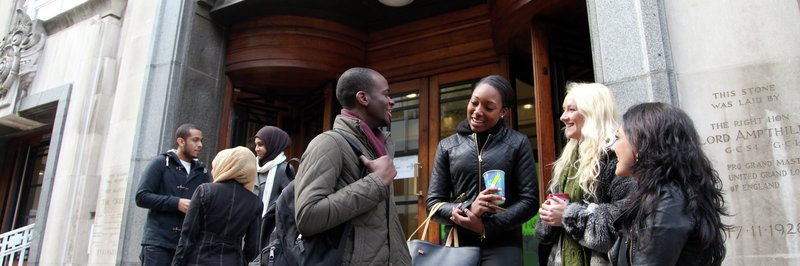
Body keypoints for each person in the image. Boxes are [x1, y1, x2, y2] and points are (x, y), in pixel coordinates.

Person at [293, 67, 411, 265]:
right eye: (386, 94)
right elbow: (307, 217)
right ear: (363, 98)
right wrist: (375, 183)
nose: (392, 101)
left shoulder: (379, 147)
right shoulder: (328, 144)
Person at [426, 75, 538, 265]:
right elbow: (433, 204)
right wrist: (469, 209)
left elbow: (529, 202)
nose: (477, 112)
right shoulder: (447, 146)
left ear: (503, 111)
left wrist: (486, 226)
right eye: (474, 103)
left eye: (489, 107)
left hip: (504, 245)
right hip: (458, 245)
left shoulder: (517, 143)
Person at [608, 102, 729, 266]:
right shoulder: (657, 195)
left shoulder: (669, 200)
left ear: (642, 144)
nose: (612, 147)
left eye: (618, 137)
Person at [534, 82, 637, 266]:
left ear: (592, 112)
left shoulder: (615, 156)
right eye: (564, 110)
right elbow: (551, 227)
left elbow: (624, 222)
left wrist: (567, 215)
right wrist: (549, 217)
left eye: (571, 109)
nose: (563, 117)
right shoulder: (568, 161)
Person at [172, 146, 263, 265]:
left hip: (199, 260)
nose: (212, 171)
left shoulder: (205, 191)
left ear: (225, 166)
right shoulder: (255, 202)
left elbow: (187, 237)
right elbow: (252, 247)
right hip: (234, 261)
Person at [136, 123, 211, 265]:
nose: (200, 145)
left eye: (201, 140)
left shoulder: (202, 172)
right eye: (195, 140)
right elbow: (141, 197)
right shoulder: (160, 163)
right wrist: (176, 203)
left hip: (187, 246)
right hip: (158, 244)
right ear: (181, 141)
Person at [250, 126, 293, 265]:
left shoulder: (284, 169)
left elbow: (289, 202)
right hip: (250, 227)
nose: (257, 149)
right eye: (256, 145)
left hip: (269, 231)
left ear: (273, 145)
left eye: (261, 145)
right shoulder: (252, 166)